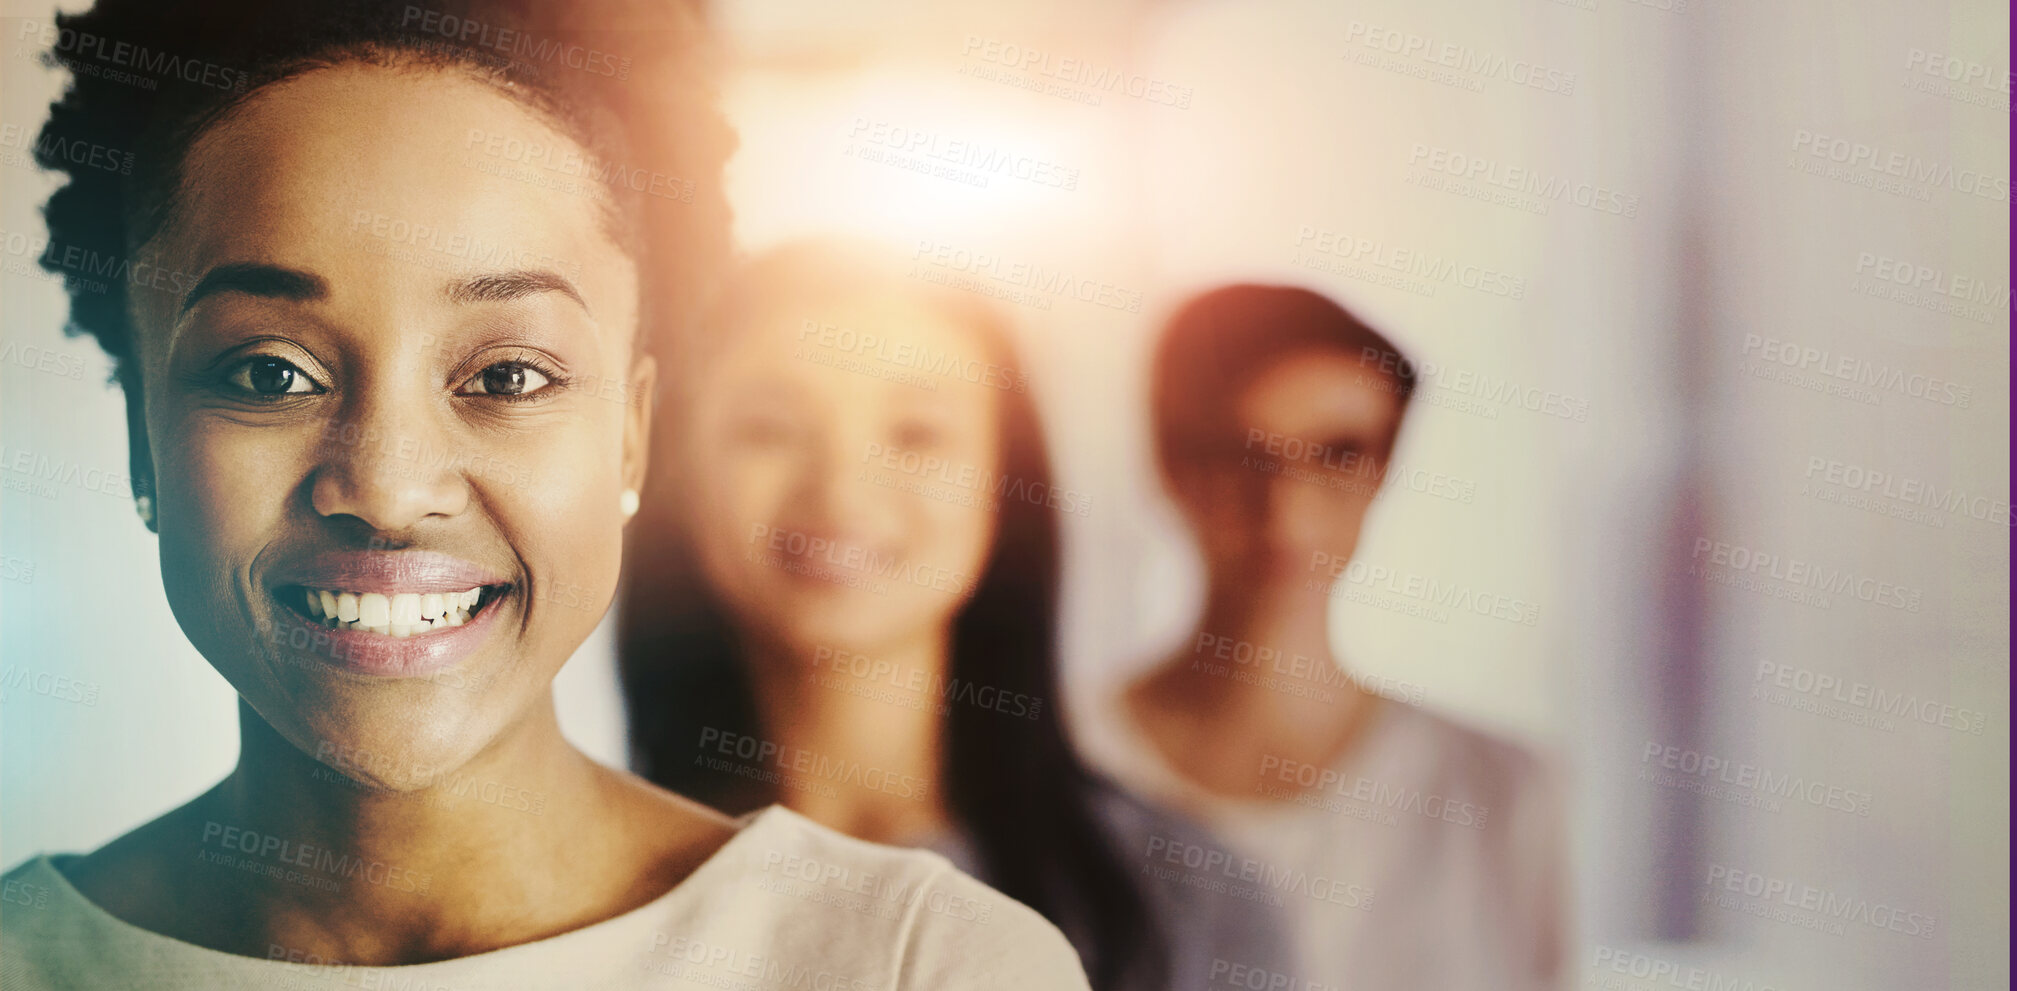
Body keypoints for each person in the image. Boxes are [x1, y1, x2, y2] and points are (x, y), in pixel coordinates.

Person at [0, 4, 1089, 988]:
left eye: (507, 376)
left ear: (630, 437)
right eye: (269, 372)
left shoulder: (926, 964)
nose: (387, 488)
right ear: (144, 442)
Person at [617, 243, 1288, 991]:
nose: (842, 494)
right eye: (770, 428)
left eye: (916, 433)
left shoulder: (1179, 903)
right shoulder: (582, 896)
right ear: (672, 473)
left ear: (1005, 479)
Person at [1074, 284, 1567, 991]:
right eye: (1238, 451)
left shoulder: (1504, 795)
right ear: (1168, 462)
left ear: (1383, 470)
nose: (1284, 504)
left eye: (1336, 454)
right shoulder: (1051, 764)